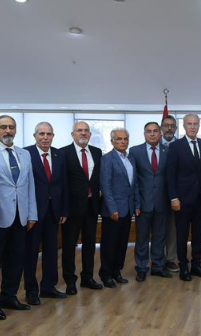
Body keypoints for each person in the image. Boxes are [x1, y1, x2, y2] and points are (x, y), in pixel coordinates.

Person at [0, 115, 37, 314]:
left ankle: (9, 296)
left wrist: (32, 214)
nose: (8, 130)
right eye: (3, 127)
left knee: (16, 260)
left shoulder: (24, 154)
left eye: (11, 127)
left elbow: (29, 185)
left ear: (16, 130)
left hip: (21, 216)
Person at [24, 122, 69, 301]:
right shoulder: (26, 153)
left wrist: (64, 209)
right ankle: (31, 291)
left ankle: (49, 287)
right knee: (31, 253)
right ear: (35, 136)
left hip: (54, 211)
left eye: (49, 134)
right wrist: (28, 212)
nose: (45, 137)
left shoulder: (59, 154)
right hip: (34, 212)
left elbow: (64, 183)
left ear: (53, 136)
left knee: (52, 251)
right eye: (41, 134)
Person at [166, 113, 201, 281]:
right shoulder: (176, 146)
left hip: (200, 198)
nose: (193, 127)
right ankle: (183, 266)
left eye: (195, 124)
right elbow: (170, 174)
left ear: (199, 126)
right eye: (189, 124)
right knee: (182, 235)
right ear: (184, 126)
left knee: (198, 234)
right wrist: (173, 197)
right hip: (182, 199)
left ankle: (196, 265)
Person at [61, 120, 104, 293]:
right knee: (69, 245)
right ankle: (70, 281)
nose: (83, 133)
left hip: (92, 207)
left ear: (90, 135)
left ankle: (87, 277)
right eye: (79, 130)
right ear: (73, 134)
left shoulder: (97, 152)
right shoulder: (63, 153)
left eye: (86, 130)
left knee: (90, 244)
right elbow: (62, 183)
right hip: (71, 209)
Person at [132, 121, 171, 281]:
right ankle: (141, 267)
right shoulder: (135, 151)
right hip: (143, 203)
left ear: (160, 133)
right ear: (144, 134)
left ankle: (158, 266)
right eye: (149, 131)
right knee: (142, 238)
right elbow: (133, 180)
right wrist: (136, 202)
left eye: (155, 131)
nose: (152, 134)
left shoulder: (168, 151)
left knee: (160, 237)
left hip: (162, 202)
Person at [99, 128, 138, 287]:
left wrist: (136, 205)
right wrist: (112, 209)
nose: (123, 142)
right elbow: (106, 186)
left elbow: (134, 184)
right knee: (109, 244)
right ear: (112, 141)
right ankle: (106, 274)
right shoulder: (107, 159)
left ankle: (116, 271)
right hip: (113, 210)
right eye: (119, 139)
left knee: (122, 243)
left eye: (125, 139)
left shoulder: (131, 158)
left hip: (127, 208)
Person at [160, 114, 180, 273]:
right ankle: (157, 259)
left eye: (172, 126)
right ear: (161, 127)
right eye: (166, 125)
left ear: (176, 128)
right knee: (158, 228)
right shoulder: (153, 144)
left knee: (172, 229)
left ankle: (170, 259)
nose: (169, 128)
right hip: (156, 194)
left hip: (175, 194)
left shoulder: (180, 145)